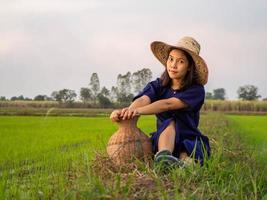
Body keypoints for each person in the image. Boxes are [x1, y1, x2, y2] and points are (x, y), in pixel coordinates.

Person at [110, 36, 210, 169]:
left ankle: (181, 162)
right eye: (171, 59)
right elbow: (143, 99)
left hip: (189, 139)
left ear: (190, 67)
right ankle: (164, 157)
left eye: (180, 61)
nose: (173, 65)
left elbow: (168, 104)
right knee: (168, 124)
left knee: (175, 129)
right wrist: (127, 112)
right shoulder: (158, 85)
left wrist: (137, 111)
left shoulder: (196, 90)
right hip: (164, 140)